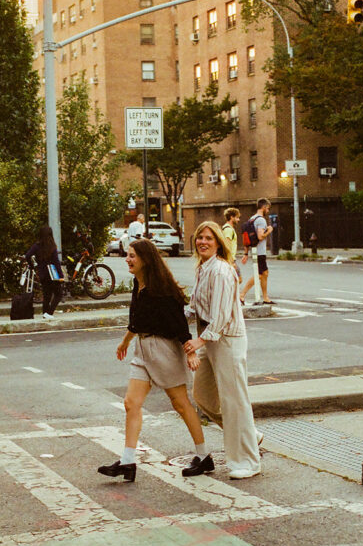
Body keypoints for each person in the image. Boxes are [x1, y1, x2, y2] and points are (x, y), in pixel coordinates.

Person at [98, 238, 205, 482]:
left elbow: (179, 324)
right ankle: (127, 461)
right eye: (127, 255)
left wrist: (190, 351)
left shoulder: (162, 290)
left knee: (180, 404)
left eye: (132, 256)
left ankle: (203, 455)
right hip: (142, 349)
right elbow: (137, 320)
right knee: (130, 403)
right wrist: (126, 340)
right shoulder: (139, 284)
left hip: (164, 349)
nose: (128, 259)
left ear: (146, 259)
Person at [183, 221, 262, 480]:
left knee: (234, 401)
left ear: (218, 242)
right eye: (199, 238)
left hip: (226, 339)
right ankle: (250, 433)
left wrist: (198, 342)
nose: (202, 242)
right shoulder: (203, 269)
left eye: (208, 238)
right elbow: (195, 307)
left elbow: (221, 315)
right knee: (204, 396)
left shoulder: (221, 271)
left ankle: (248, 462)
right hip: (210, 338)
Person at [239, 198, 275, 304]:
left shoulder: (252, 218)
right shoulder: (261, 220)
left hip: (255, 251)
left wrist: (246, 253)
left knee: (264, 273)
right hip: (260, 252)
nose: (268, 211)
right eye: (267, 208)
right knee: (259, 274)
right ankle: (242, 294)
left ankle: (265, 297)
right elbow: (260, 236)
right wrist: (269, 230)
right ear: (263, 207)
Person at [24, 226, 65, 320]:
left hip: (42, 274)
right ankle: (49, 313)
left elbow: (27, 256)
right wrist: (61, 276)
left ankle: (45, 314)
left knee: (47, 295)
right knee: (58, 294)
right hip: (52, 274)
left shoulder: (36, 246)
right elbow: (56, 262)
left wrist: (32, 266)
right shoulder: (52, 247)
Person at [222, 207, 241, 279]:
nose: (238, 220)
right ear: (231, 217)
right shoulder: (228, 229)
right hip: (230, 259)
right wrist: (231, 262)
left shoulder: (229, 228)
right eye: (237, 217)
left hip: (230, 259)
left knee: (236, 280)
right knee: (237, 280)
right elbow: (227, 246)